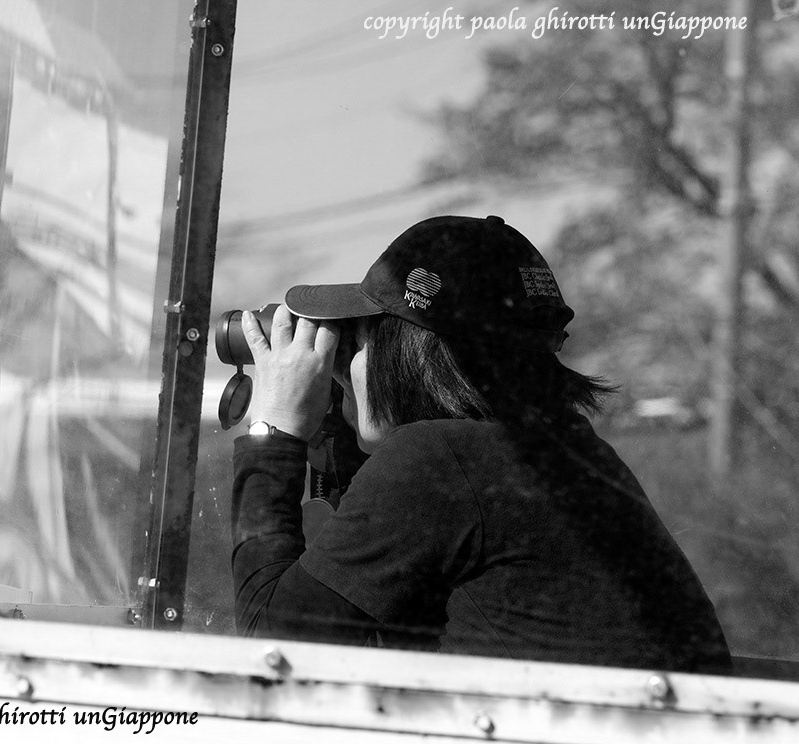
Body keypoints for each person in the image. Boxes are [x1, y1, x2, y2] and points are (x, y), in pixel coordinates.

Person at [230, 215, 732, 673]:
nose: (346, 362)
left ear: (409, 351)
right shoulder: (570, 454)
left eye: (360, 339)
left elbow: (272, 649)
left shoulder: (439, 460)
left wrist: (274, 429)